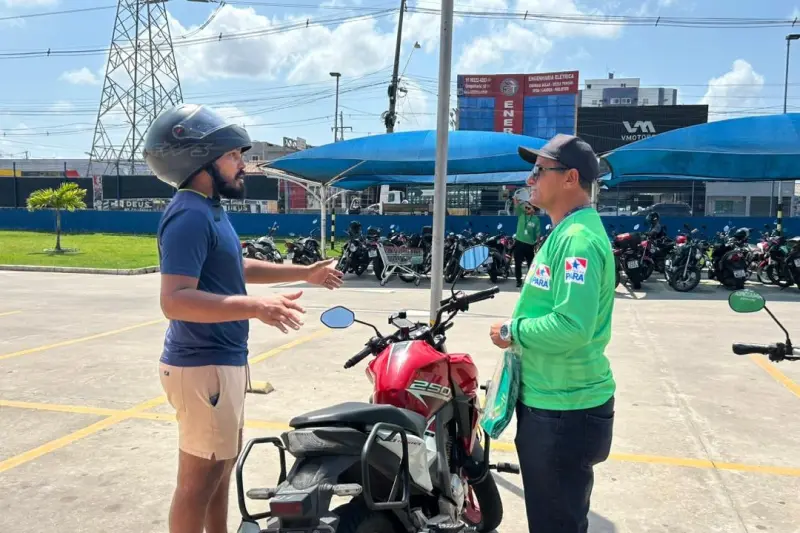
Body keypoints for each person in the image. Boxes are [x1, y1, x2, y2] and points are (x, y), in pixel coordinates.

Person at [143, 103, 344, 533]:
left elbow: (237, 266)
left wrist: (305, 273)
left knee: (219, 475)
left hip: (222, 362)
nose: (244, 165)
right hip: (202, 368)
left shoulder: (210, 209)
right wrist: (255, 306)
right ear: (202, 159)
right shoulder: (188, 215)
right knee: (197, 485)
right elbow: (175, 299)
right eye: (234, 155)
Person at [488, 134, 616, 533]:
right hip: (556, 403)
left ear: (570, 178)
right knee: (555, 517)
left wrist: (513, 329)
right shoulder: (565, 232)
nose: (531, 179)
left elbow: (571, 327)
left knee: (555, 523)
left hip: (564, 410)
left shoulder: (577, 240)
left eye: (540, 170)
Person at [512, 195, 541, 288]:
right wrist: (516, 199)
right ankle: (518, 280)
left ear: (534, 210)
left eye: (529, 208)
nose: (527, 209)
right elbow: (517, 206)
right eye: (527, 208)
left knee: (530, 264)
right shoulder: (521, 214)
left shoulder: (536, 220)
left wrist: (537, 244)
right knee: (517, 263)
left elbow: (537, 233)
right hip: (519, 243)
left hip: (529, 245)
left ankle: (529, 280)